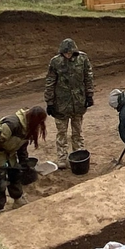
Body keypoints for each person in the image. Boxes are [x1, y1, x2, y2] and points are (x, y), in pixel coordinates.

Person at [0, 106, 46, 211]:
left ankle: (18, 199)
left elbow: (22, 146)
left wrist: (24, 162)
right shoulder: (12, 124)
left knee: (15, 173)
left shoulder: (28, 126)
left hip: (6, 151)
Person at [45, 38, 94, 167]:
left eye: (70, 53)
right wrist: (49, 102)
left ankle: (78, 154)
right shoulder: (55, 62)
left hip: (78, 102)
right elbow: (50, 82)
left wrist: (89, 95)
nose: (68, 55)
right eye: (65, 53)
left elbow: (88, 77)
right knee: (61, 133)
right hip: (61, 104)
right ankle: (62, 158)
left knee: (77, 131)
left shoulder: (83, 59)